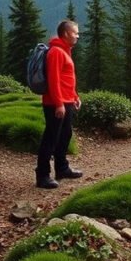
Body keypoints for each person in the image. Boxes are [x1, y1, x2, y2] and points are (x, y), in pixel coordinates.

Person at [35, 19, 83, 189]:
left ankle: (62, 168)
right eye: (75, 32)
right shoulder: (56, 52)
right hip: (56, 103)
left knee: (65, 135)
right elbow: (54, 80)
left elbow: (66, 79)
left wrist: (75, 96)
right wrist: (58, 104)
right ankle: (42, 175)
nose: (78, 36)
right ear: (66, 33)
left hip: (67, 100)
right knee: (51, 137)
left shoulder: (65, 51)